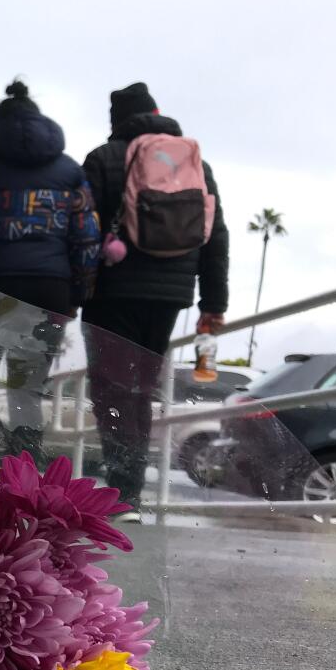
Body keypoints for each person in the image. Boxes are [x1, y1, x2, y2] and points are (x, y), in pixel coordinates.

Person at [81, 82, 229, 518]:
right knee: (140, 391)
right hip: (171, 295)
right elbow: (215, 234)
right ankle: (131, 493)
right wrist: (212, 302)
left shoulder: (105, 158)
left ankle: (122, 493)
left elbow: (82, 228)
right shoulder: (193, 161)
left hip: (113, 290)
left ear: (117, 121)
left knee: (111, 391)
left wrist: (74, 292)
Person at [0, 81, 101, 469]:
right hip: (48, 291)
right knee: (26, 392)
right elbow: (88, 238)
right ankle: (25, 480)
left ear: (0, 125)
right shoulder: (70, 172)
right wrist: (75, 296)